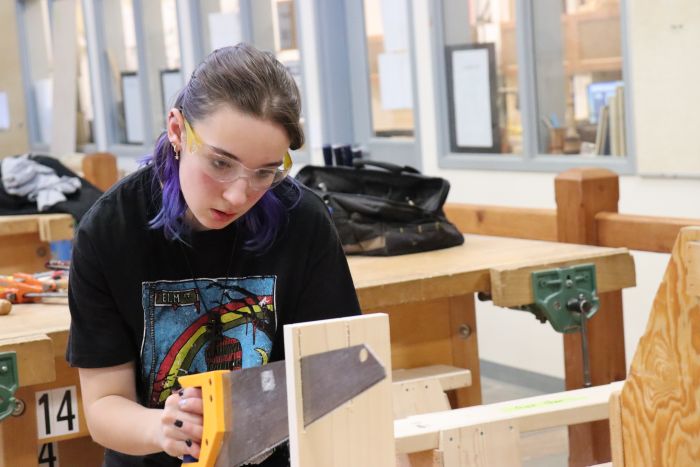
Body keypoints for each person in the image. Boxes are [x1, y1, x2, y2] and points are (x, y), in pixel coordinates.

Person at [66, 43, 361, 466]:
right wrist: (162, 429)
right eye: (221, 164)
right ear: (177, 130)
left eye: (265, 172)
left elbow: (337, 372)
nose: (239, 194)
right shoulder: (109, 232)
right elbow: (104, 405)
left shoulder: (304, 222)